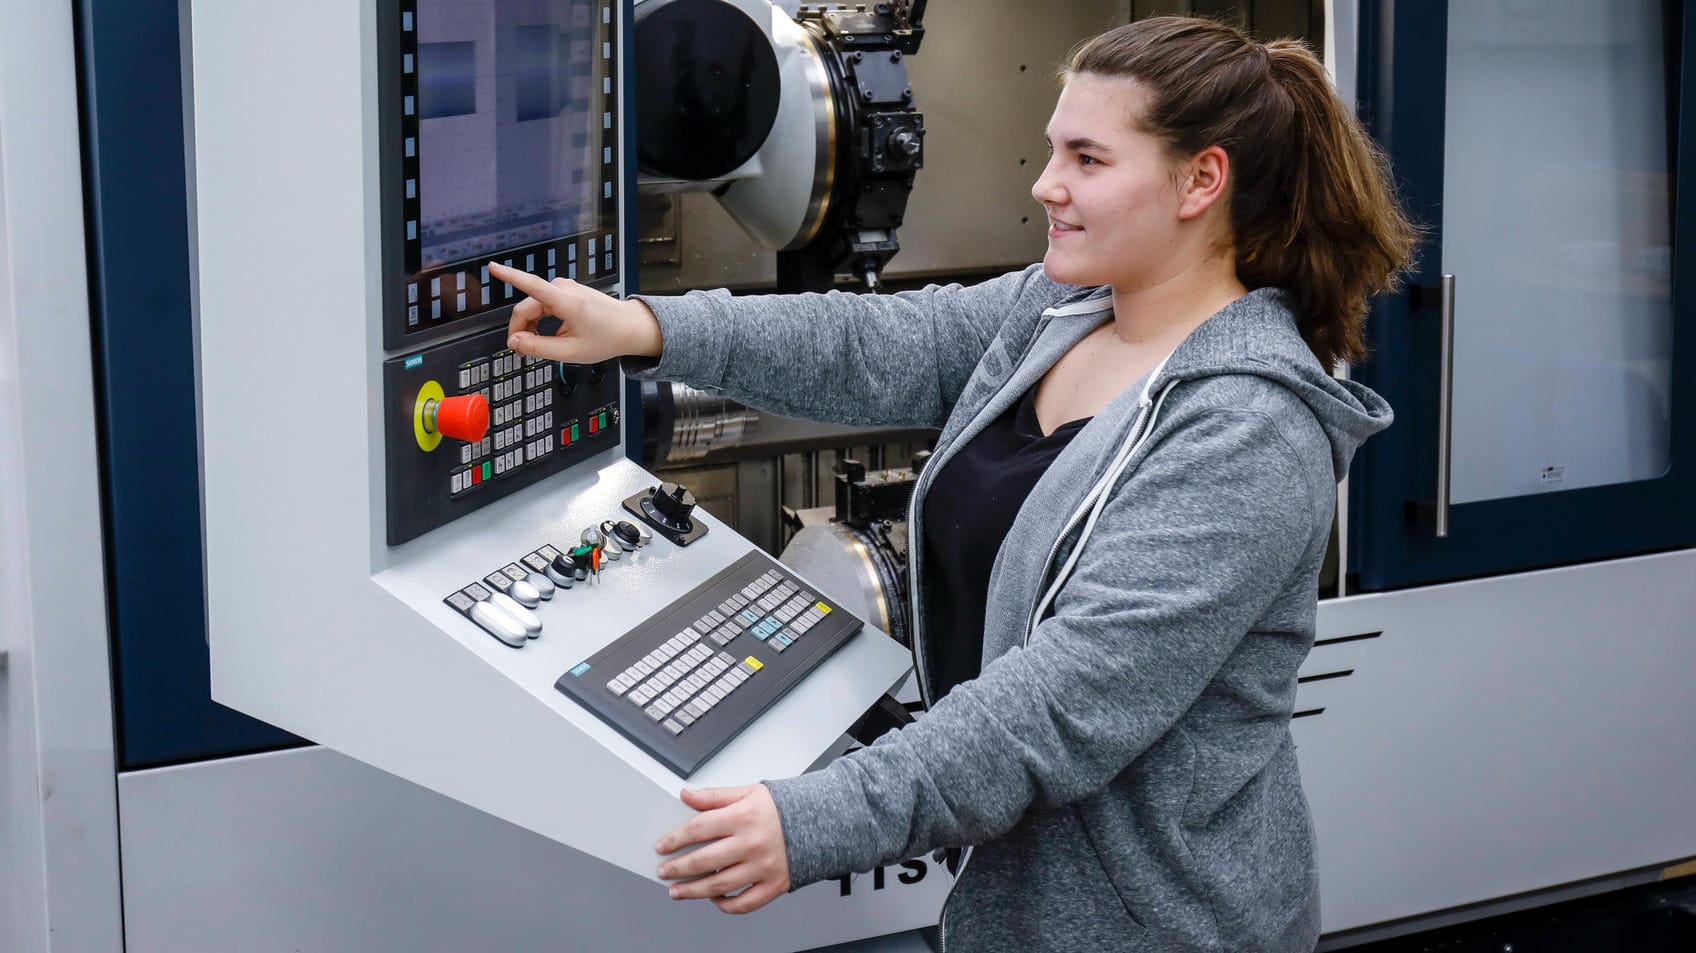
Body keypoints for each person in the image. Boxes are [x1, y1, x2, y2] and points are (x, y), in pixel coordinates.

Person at [491, 15, 1415, 952]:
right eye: (1053, 149)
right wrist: (646, 328)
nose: (1045, 184)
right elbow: (871, 342)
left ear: (1201, 180)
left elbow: (1061, 703)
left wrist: (817, 819)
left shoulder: (1246, 430)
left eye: (1088, 159)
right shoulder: (1062, 308)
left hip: (1159, 925)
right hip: (1012, 909)